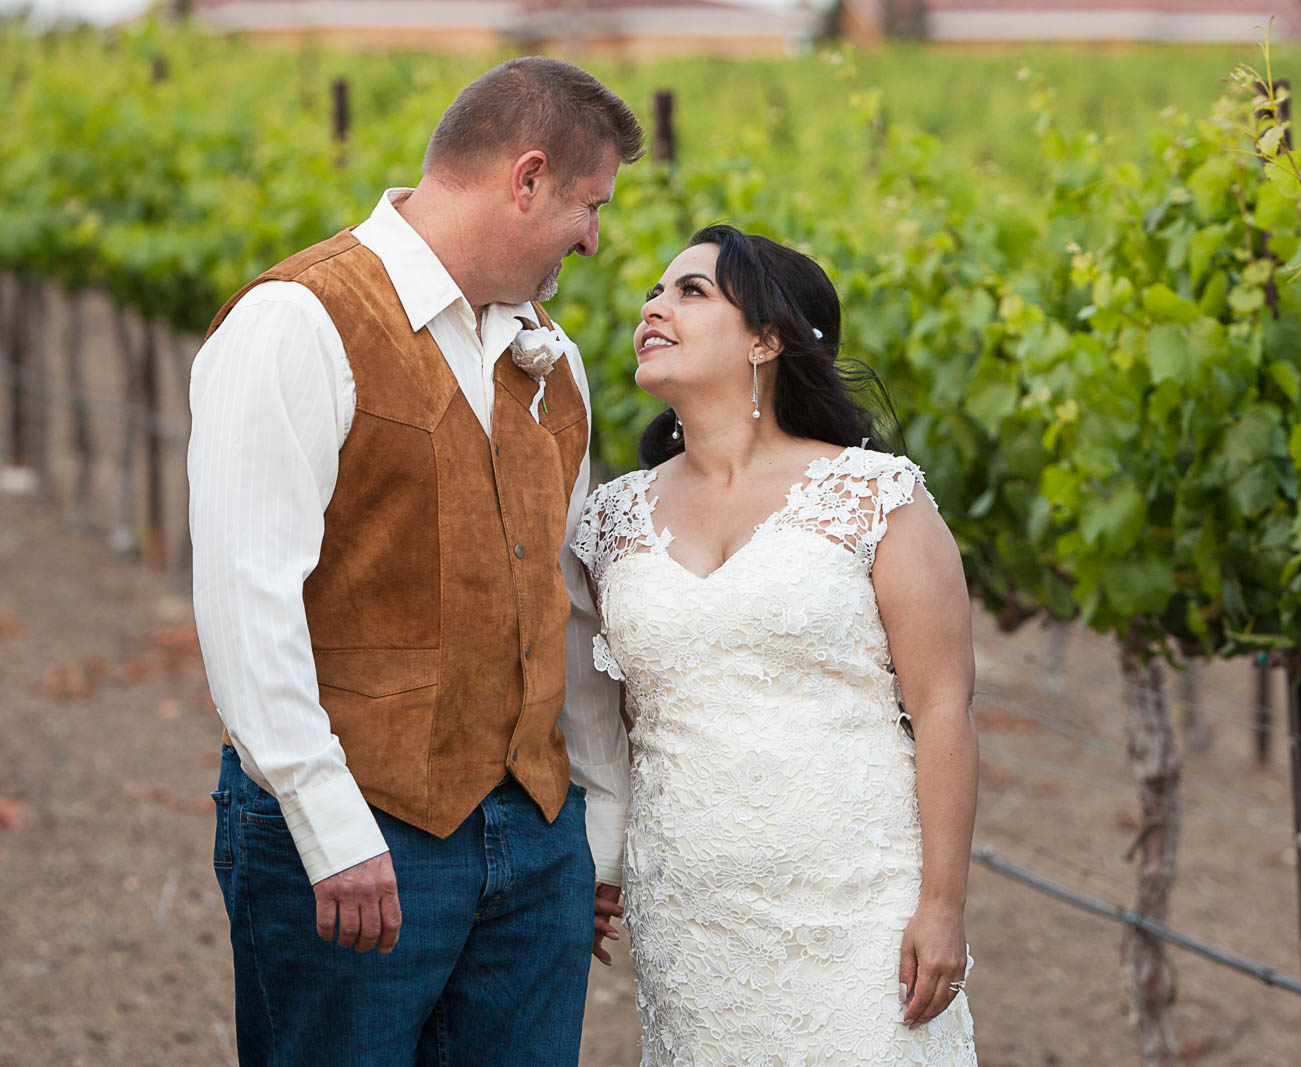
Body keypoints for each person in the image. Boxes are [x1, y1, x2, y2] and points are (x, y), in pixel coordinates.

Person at [187, 58, 640, 1066]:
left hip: (536, 844)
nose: (594, 238)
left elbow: (563, 603)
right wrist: (326, 820)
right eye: (588, 204)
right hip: (358, 838)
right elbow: (245, 593)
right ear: (524, 180)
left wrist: (593, 829)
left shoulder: (553, 361)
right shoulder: (296, 321)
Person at [573, 225, 981, 1063]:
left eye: (691, 292)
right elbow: (598, 720)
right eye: (655, 290)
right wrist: (594, 858)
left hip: (858, 909)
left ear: (767, 339)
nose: (654, 306)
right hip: (690, 913)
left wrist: (942, 906)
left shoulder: (874, 494)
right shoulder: (608, 517)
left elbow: (943, 708)